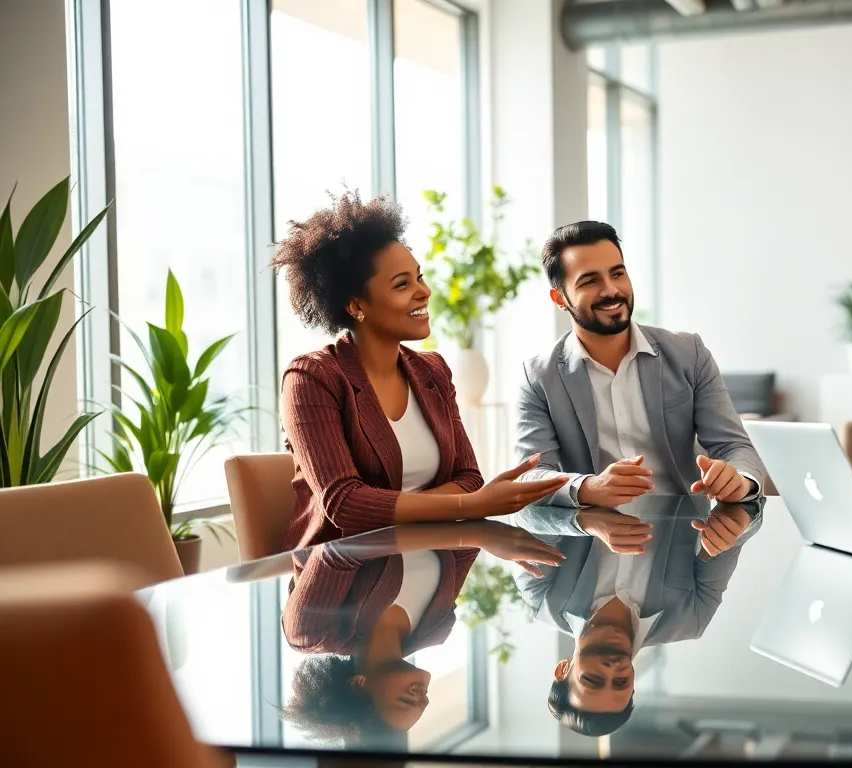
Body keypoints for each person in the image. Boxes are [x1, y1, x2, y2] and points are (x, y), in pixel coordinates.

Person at [272, 191, 568, 549]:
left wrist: (463, 499)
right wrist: (465, 505)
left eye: (419, 277)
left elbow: (469, 476)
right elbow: (345, 504)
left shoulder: (433, 371)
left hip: (429, 561)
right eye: (402, 284)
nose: (423, 292)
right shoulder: (312, 378)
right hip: (341, 581)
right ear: (355, 305)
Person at [514, 221, 765, 508]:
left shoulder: (689, 353)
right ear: (560, 298)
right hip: (592, 536)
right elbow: (528, 475)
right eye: (590, 281)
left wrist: (740, 480)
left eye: (617, 274)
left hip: (687, 535)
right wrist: (587, 487)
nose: (611, 290)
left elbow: (735, 446)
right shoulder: (538, 376)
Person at [280, 521, 563, 746]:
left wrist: (468, 532)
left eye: (406, 700)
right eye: (423, 703)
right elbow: (465, 548)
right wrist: (467, 526)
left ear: (359, 684)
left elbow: (338, 549)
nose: (422, 695)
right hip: (437, 488)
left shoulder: (311, 633)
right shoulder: (435, 628)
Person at [513, 495, 762, 736]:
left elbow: (525, 511)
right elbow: (747, 516)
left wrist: (585, 520)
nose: (612, 669)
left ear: (562, 669)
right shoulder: (689, 618)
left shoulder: (542, 596)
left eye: (593, 679)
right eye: (620, 683)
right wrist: (732, 525)